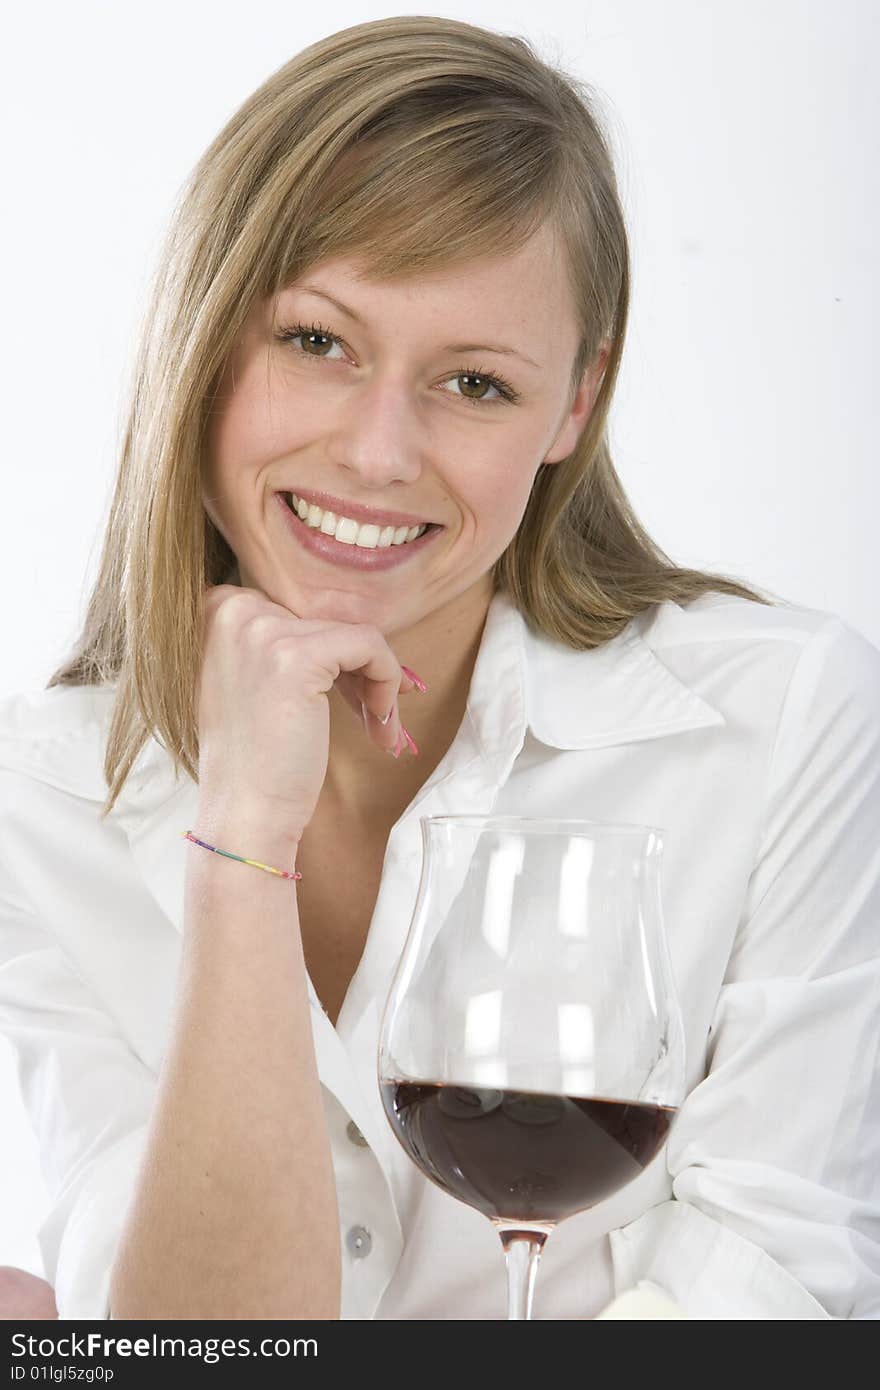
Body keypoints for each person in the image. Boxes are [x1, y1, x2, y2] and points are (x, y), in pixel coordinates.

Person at [1, 15, 878, 1322]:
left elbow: (769, 1280)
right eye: (316, 341)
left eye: (474, 382)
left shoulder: (784, 717)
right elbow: (198, 1350)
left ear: (575, 404)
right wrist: (242, 841)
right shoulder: (41, 792)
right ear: (203, 333)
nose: (376, 452)